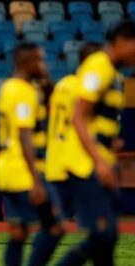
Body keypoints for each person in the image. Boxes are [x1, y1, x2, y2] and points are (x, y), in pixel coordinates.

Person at [59, 21, 135, 266]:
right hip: (87, 164)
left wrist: (112, 142)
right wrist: (100, 162)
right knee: (103, 234)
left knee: (107, 237)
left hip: (100, 161)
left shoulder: (114, 75)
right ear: (123, 40)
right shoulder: (98, 66)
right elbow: (78, 116)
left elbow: (97, 120)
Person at [0, 42, 64, 266]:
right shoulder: (22, 92)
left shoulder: (12, 87)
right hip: (21, 170)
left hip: (8, 168)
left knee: (19, 233)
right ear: (27, 62)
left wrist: (45, 80)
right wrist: (36, 181)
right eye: (40, 60)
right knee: (54, 228)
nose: (44, 64)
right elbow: (24, 134)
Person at [45, 42, 102, 222]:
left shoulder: (63, 83)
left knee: (55, 225)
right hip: (75, 159)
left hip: (55, 156)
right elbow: (79, 120)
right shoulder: (84, 88)